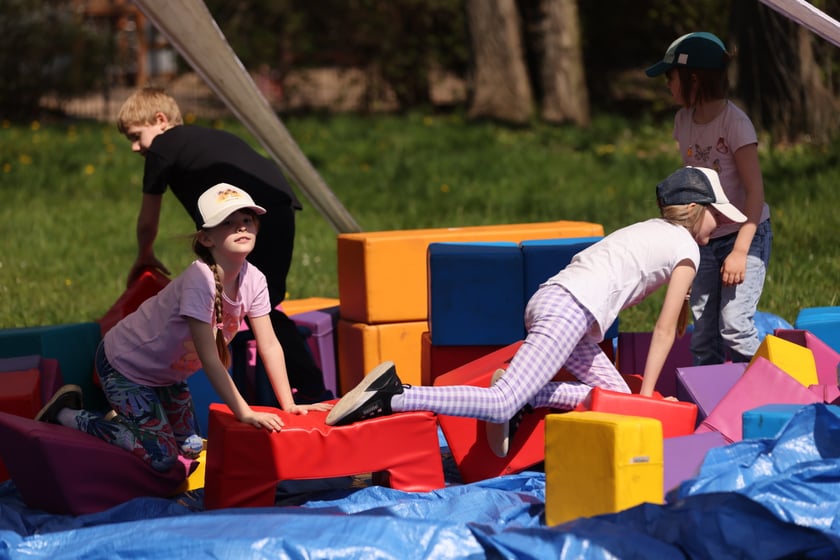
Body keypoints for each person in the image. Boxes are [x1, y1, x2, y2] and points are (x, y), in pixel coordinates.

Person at [325, 167, 747, 457]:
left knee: (612, 401)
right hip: (569, 310)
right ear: (698, 209)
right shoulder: (686, 245)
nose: (719, 226)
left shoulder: (650, 230)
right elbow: (663, 329)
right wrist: (648, 395)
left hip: (562, 306)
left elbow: (671, 319)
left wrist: (636, 399)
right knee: (501, 402)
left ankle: (529, 398)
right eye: (717, 216)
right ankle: (395, 395)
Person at [34, 184, 332, 472]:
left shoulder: (254, 279)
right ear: (206, 239)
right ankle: (68, 415)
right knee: (162, 460)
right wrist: (244, 412)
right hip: (125, 366)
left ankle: (133, 422)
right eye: (228, 222)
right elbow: (209, 358)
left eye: (247, 220)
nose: (242, 227)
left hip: (168, 375)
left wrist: (289, 404)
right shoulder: (199, 281)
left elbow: (269, 344)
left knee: (190, 449)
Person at [116, 86, 330, 403]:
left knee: (260, 308)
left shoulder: (162, 147)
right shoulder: (201, 138)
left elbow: (148, 219)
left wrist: (144, 254)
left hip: (250, 211)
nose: (135, 147)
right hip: (278, 207)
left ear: (160, 120)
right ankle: (298, 390)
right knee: (263, 301)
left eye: (136, 136)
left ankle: (311, 392)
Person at [646, 32, 772, 365]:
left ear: (694, 78)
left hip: (744, 234)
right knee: (702, 335)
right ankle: (713, 406)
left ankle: (777, 387)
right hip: (705, 239)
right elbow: (693, 188)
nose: (668, 86)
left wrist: (741, 251)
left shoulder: (736, 123)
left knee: (734, 326)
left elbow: (755, 191)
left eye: (670, 78)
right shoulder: (682, 121)